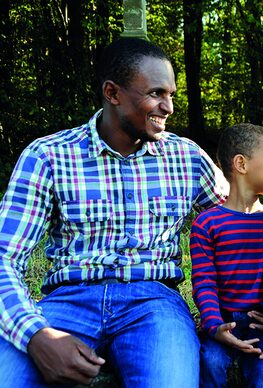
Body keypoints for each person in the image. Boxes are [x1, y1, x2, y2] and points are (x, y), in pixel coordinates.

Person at [0, 37, 228, 387]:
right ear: (112, 93)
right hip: (67, 302)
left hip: (155, 304)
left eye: (171, 95)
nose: (168, 107)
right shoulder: (48, 155)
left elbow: (238, 226)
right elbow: (4, 257)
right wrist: (36, 335)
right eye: (156, 94)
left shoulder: (188, 157)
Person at [190, 123, 263, 387]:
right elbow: (204, 282)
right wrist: (214, 326)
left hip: (262, 326)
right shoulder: (207, 224)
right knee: (210, 363)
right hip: (222, 322)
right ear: (241, 164)